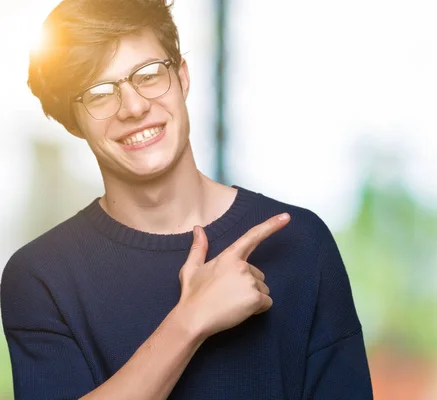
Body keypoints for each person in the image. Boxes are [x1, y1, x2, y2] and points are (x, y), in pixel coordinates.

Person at [0, 0, 372, 399]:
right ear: (75, 123)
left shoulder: (299, 244)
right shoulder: (40, 277)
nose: (135, 107)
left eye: (148, 75)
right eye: (100, 93)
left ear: (183, 76)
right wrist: (190, 320)